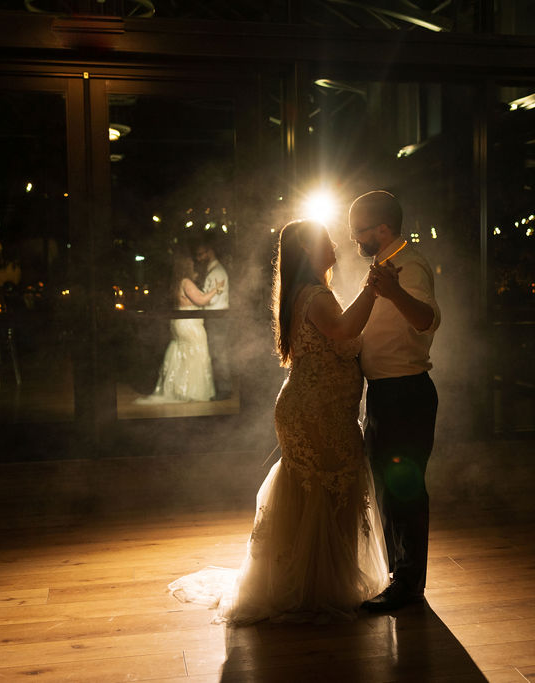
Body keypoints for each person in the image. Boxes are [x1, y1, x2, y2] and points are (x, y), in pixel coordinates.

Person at [168, 219, 390, 624]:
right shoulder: (318, 296)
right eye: (328, 243)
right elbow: (343, 331)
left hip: (315, 409)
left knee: (318, 493)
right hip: (316, 412)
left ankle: (308, 583)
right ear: (309, 250)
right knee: (328, 490)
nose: (337, 250)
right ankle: (315, 589)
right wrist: (373, 288)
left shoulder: (301, 293)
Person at [349, 190, 441, 612]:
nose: (355, 240)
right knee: (388, 489)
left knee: (404, 491)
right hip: (388, 391)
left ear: (382, 229)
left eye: (359, 232)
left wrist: (394, 292)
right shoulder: (383, 265)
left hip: (405, 392)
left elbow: (427, 319)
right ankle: (398, 577)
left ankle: (408, 585)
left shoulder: (410, 264)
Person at [135, 255, 223, 404]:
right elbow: (200, 300)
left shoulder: (176, 284)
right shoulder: (186, 282)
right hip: (189, 324)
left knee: (181, 352)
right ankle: (191, 392)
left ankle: (177, 389)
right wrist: (216, 289)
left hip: (179, 324)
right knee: (196, 352)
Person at [194, 240, 233, 400]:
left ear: (210, 252)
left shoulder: (216, 273)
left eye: (201, 254)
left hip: (216, 317)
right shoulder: (214, 271)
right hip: (216, 316)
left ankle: (224, 389)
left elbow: (209, 299)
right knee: (217, 352)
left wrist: (197, 297)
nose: (198, 258)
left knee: (219, 352)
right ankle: (222, 388)